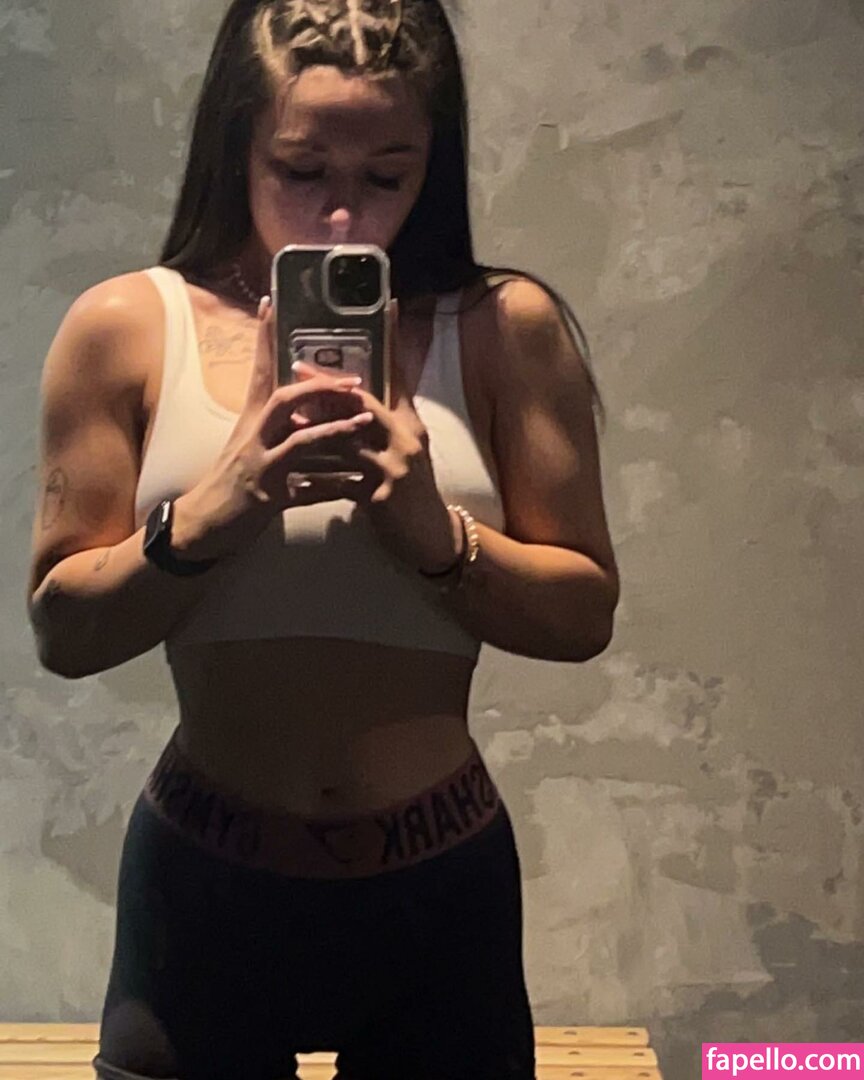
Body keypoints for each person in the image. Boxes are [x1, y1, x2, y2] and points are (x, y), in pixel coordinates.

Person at [26, 1, 620, 1078]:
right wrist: (217, 508)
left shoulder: (502, 328)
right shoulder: (126, 328)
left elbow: (584, 616)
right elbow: (64, 632)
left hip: (436, 895)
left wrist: (434, 537)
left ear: (433, 165)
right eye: (301, 169)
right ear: (237, 149)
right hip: (203, 891)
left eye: (387, 176)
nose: (342, 216)